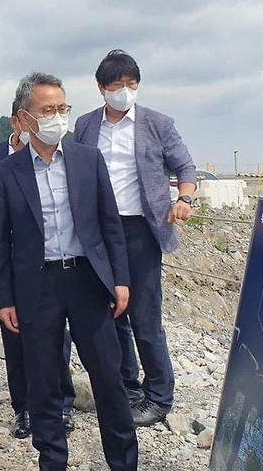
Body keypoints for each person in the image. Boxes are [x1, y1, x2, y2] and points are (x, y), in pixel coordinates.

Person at [0, 72, 149, 471]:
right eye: (47, 110)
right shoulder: (5, 174)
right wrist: (3, 298)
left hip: (87, 281)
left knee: (109, 379)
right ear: (24, 118)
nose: (58, 117)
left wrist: (120, 280)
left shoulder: (86, 159)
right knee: (42, 382)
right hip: (37, 286)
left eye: (63, 109)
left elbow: (109, 223)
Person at [75, 49, 198, 427]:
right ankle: (127, 385)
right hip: (99, 231)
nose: (125, 92)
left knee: (145, 314)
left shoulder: (158, 123)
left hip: (142, 229)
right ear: (101, 89)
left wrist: (185, 198)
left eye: (131, 85)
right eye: (117, 86)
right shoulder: (85, 125)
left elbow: (185, 166)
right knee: (112, 310)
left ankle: (159, 395)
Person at [0, 98, 77, 439]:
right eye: (41, 114)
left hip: (53, 265)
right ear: (17, 121)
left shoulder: (64, 157)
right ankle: (24, 408)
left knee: (57, 338)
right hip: (16, 266)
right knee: (15, 337)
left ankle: (62, 403)